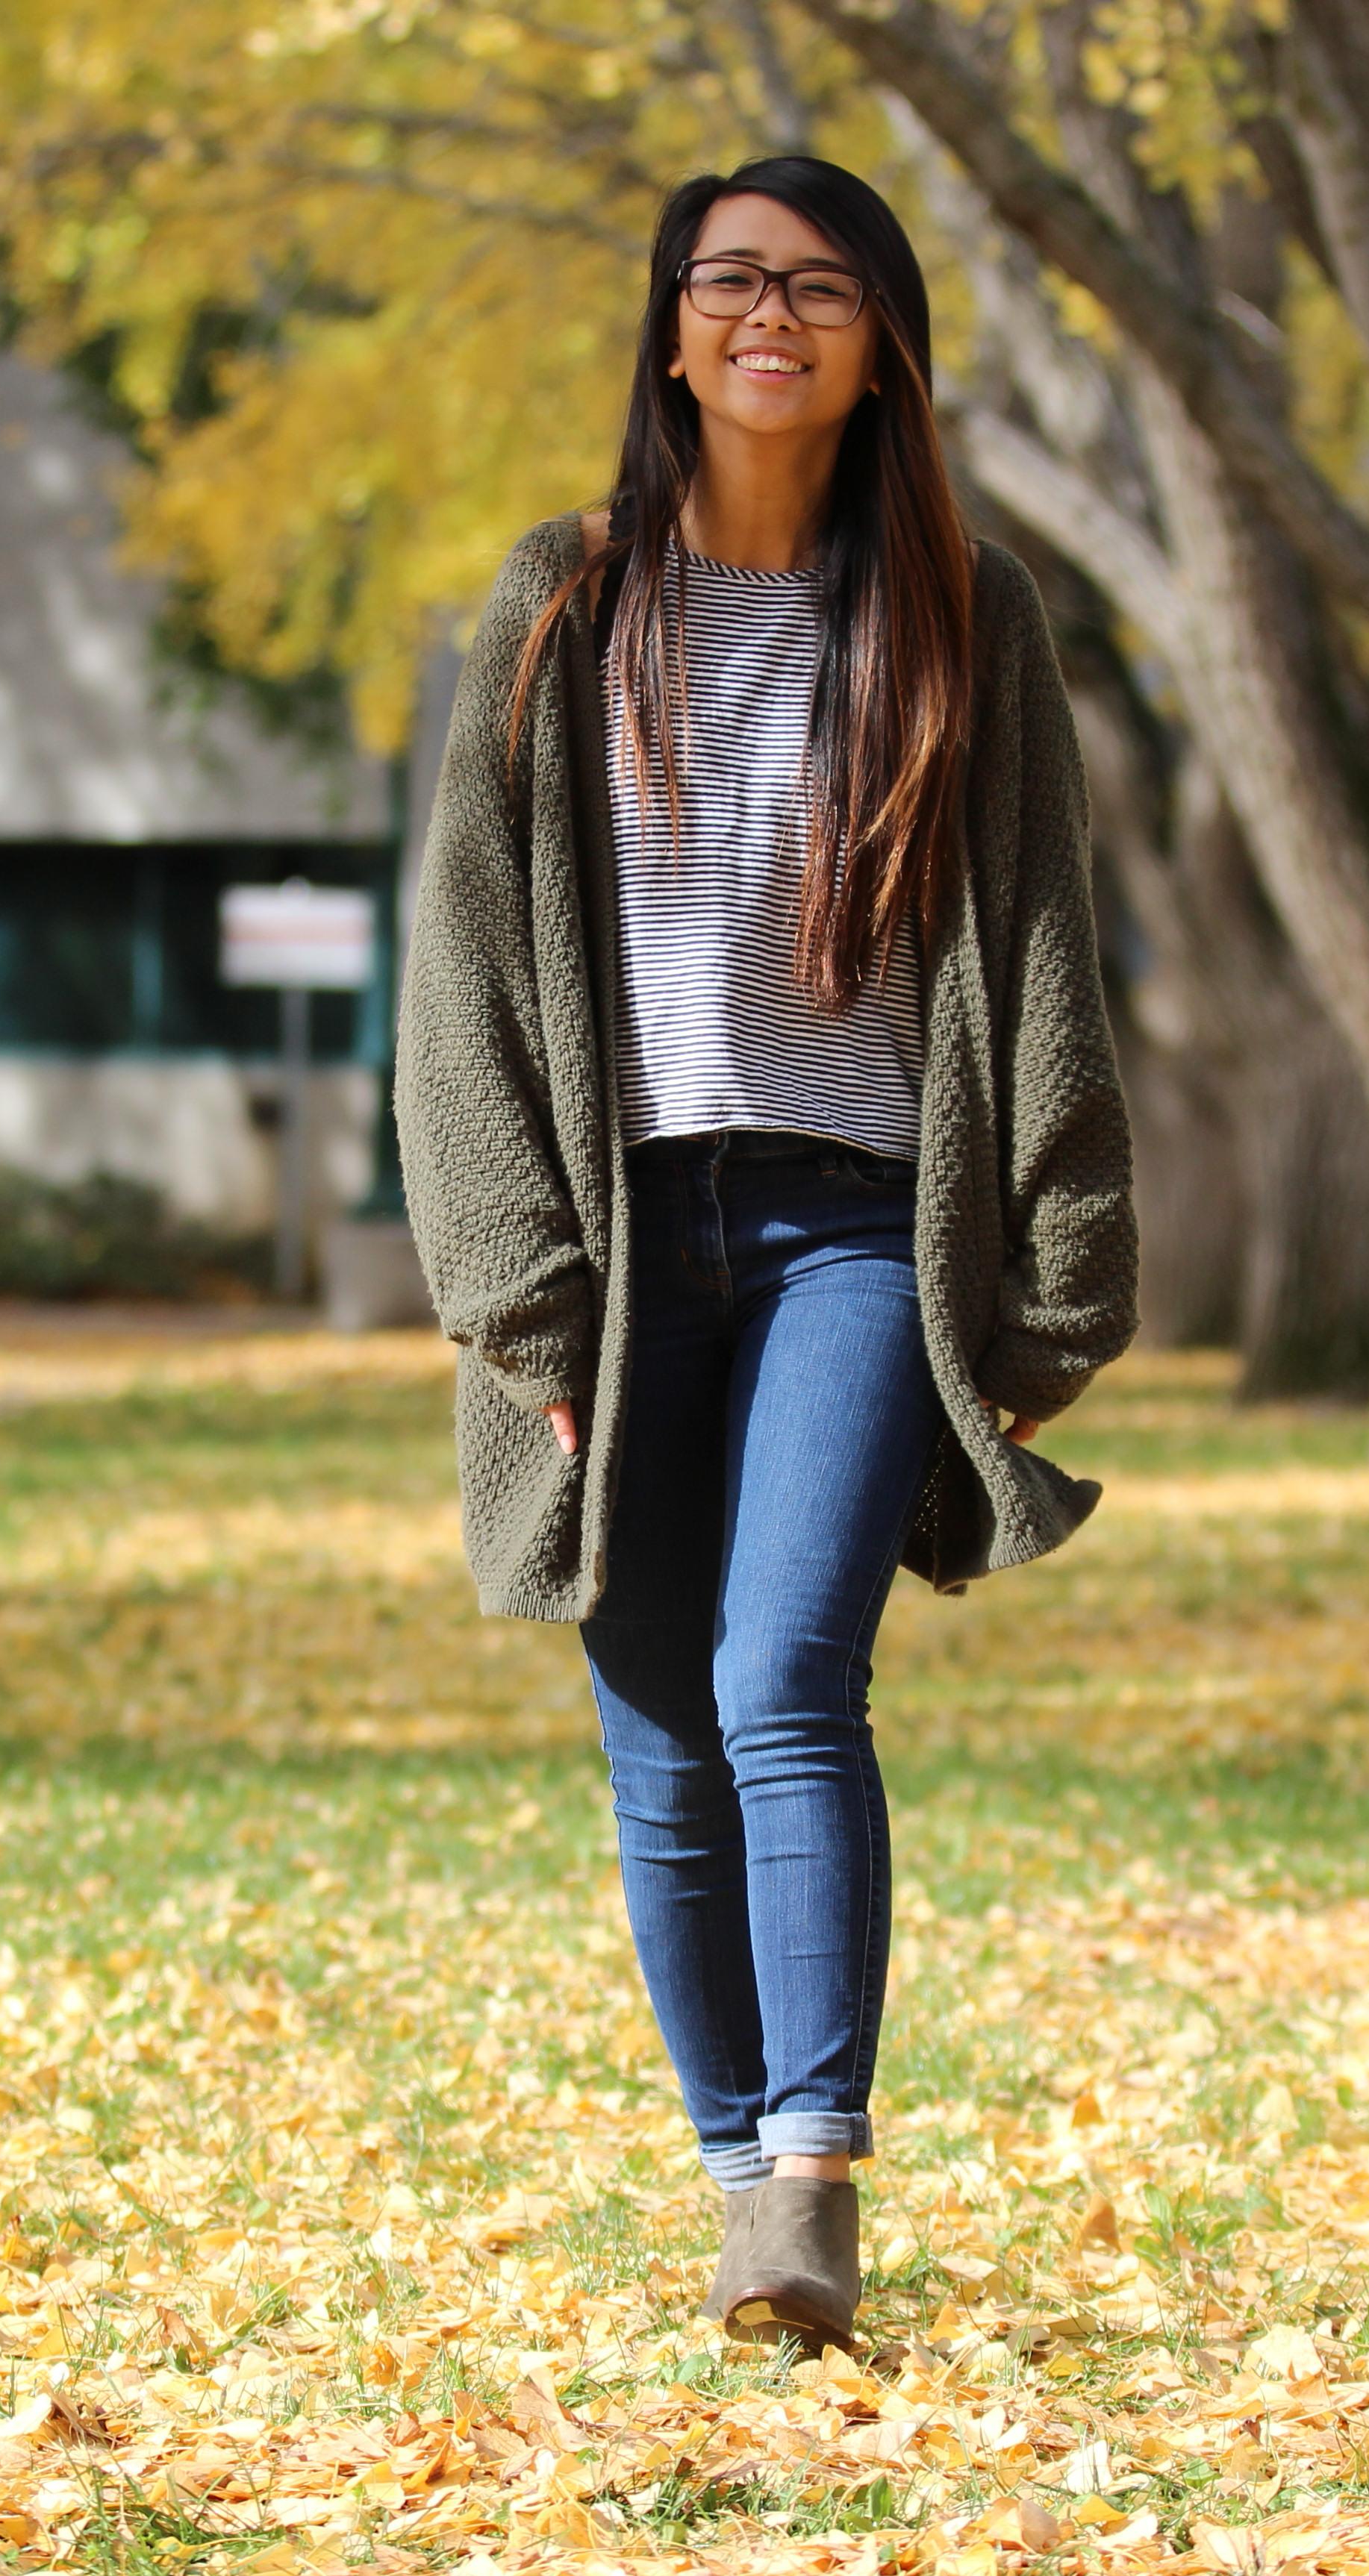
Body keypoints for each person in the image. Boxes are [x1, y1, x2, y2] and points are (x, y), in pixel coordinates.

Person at [396, 159, 1137, 2355]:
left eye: (817, 284)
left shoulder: (966, 616)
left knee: (782, 1677)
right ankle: (738, 2189)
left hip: (850, 1224)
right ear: (671, 329)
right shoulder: (562, 603)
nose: (768, 315)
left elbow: (1047, 955)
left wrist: (1058, 1282)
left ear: (884, 336)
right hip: (623, 1242)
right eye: (729, 280)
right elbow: (463, 980)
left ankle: (813, 2174)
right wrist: (523, 1293)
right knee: (652, 1724)